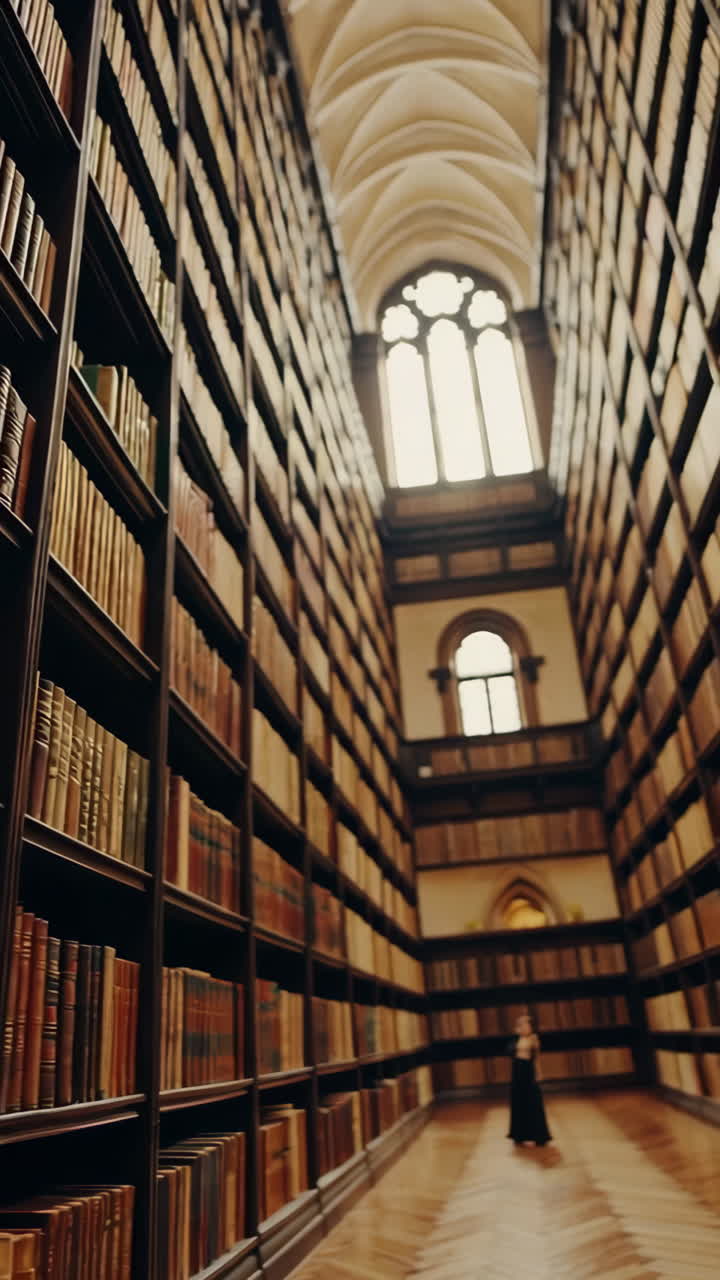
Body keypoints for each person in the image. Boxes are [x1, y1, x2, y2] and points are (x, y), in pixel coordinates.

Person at [507, 1012, 552, 1146]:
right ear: (518, 1028)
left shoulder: (533, 1039)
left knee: (534, 1102)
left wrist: (539, 1074)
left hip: (529, 1073)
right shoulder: (515, 1040)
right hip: (517, 1074)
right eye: (523, 1026)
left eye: (528, 1025)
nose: (526, 1028)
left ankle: (539, 1136)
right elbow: (509, 1052)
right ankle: (519, 1135)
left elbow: (537, 1058)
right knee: (518, 1103)